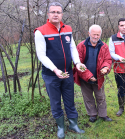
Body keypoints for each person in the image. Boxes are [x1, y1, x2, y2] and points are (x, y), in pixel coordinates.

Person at [34, 2, 85, 138]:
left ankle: (73, 124)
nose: (55, 14)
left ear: (62, 14)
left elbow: (72, 48)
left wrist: (78, 62)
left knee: (70, 100)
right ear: (48, 14)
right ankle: (61, 127)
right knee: (55, 102)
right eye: (53, 12)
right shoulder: (41, 31)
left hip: (67, 72)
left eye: (58, 12)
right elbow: (41, 55)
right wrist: (55, 70)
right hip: (51, 75)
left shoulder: (67, 28)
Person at [73, 24, 112, 123]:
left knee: (100, 96)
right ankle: (92, 114)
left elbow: (108, 59)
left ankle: (103, 115)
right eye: (94, 34)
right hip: (84, 77)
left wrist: (105, 67)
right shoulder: (81, 46)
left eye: (98, 35)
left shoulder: (104, 46)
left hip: (99, 77)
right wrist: (88, 76)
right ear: (89, 33)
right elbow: (77, 63)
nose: (96, 37)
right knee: (88, 97)